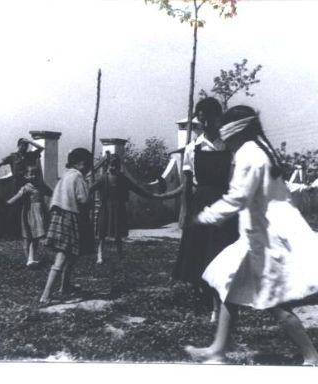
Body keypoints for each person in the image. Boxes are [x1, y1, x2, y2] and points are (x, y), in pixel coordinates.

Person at [185, 105, 318, 365]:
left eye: (227, 133)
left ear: (236, 132)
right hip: (259, 234)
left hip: (265, 239)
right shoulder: (258, 149)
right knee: (230, 285)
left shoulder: (250, 154)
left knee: (273, 302)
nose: (225, 139)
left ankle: (311, 355)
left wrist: (205, 217)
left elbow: (238, 197)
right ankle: (217, 350)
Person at [156, 97, 239, 321]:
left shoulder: (228, 146)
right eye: (201, 120)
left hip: (223, 204)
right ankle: (201, 297)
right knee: (199, 252)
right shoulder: (192, 149)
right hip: (200, 204)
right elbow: (186, 185)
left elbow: (234, 182)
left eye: (209, 120)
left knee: (220, 252)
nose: (205, 125)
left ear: (217, 119)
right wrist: (183, 211)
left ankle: (218, 305)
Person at [39, 148, 93, 307]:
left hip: (58, 215)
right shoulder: (78, 177)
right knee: (63, 256)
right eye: (88, 164)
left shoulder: (66, 175)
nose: (89, 167)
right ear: (82, 164)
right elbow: (83, 200)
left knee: (71, 254)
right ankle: (46, 294)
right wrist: (89, 189)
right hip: (70, 217)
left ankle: (65, 286)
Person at [90, 153, 155, 265]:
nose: (113, 167)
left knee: (118, 234)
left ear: (119, 166)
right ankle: (100, 255)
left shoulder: (122, 178)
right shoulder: (103, 178)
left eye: (115, 165)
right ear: (108, 165)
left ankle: (120, 255)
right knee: (102, 233)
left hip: (118, 208)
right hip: (105, 207)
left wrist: (152, 195)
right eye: (111, 165)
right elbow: (91, 189)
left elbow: (137, 189)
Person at [6, 165, 51, 268]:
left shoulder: (42, 186)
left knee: (35, 238)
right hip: (29, 213)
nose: (34, 176)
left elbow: (52, 192)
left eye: (36, 174)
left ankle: (31, 258)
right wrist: (6, 204)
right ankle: (28, 259)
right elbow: (17, 197)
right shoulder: (27, 187)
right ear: (26, 176)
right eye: (31, 174)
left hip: (40, 213)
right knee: (27, 237)